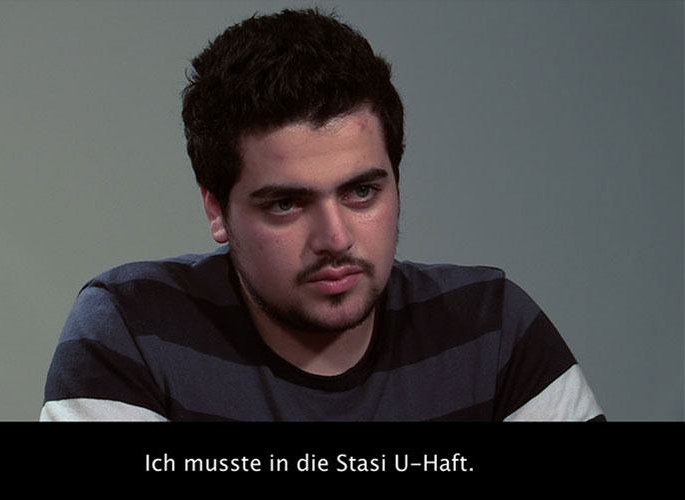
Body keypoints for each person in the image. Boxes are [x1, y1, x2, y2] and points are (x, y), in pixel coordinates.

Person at [41, 8, 605, 421]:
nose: (335, 239)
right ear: (217, 210)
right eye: (286, 204)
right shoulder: (132, 330)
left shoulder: (492, 328)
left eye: (361, 192)